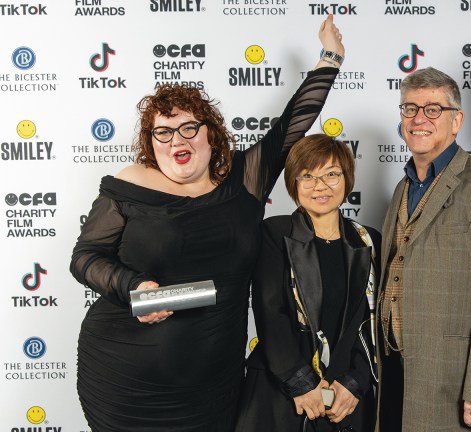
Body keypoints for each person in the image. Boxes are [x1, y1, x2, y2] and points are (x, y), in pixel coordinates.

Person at [69, 16, 345, 431]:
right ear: (151, 144)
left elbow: (293, 122)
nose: (176, 140)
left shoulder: (244, 181)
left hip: (212, 384)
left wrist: (331, 58)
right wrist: (133, 286)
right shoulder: (128, 187)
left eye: (188, 127)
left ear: (210, 134)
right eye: (163, 132)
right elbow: (85, 257)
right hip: (122, 380)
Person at [376, 66, 471, 432]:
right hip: (397, 374)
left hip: (457, 382)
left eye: (433, 109)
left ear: (457, 119)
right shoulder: (403, 188)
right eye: (409, 109)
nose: (418, 119)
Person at [235, 134, 379, 432]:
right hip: (281, 393)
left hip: (346, 398)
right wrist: (301, 383)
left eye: (331, 174)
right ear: (294, 183)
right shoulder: (275, 233)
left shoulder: (368, 240)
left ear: (347, 178)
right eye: (308, 176)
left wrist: (355, 383)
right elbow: (269, 312)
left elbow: (373, 323)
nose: (320, 186)